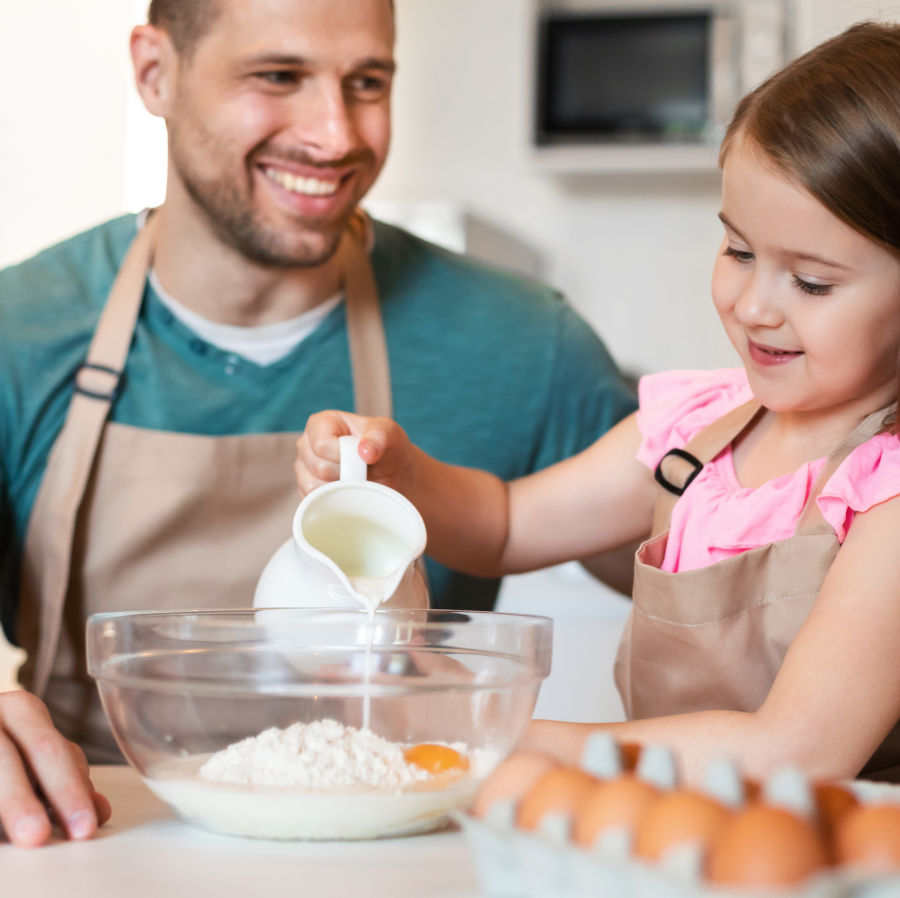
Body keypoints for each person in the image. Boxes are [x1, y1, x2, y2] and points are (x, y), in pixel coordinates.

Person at [0, 0, 636, 847]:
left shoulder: (522, 342)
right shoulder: (17, 333)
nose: (336, 136)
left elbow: (700, 556)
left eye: (366, 83)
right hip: (98, 841)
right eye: (278, 76)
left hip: (409, 847)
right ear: (155, 73)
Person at [297, 21, 900, 792]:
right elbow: (506, 525)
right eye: (739, 251)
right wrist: (400, 474)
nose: (753, 306)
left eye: (811, 283)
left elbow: (796, 752)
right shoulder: (694, 432)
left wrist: (477, 724)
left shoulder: (884, 494)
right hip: (661, 832)